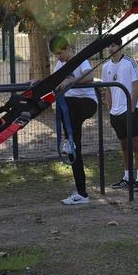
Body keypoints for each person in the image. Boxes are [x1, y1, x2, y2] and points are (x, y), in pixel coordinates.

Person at [51, 35, 98, 205]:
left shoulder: (80, 60)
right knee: (74, 151)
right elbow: (53, 82)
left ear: (68, 48)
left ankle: (68, 140)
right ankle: (82, 193)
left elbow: (89, 76)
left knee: (67, 102)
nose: (59, 57)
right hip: (70, 111)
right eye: (56, 54)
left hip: (86, 103)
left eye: (60, 53)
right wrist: (38, 83)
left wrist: (71, 79)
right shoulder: (59, 65)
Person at [100, 43, 138, 190]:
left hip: (130, 110)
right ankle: (127, 177)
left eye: (113, 45)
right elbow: (107, 90)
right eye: (109, 46)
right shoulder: (106, 66)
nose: (110, 48)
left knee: (135, 143)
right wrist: (111, 109)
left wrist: (131, 108)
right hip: (115, 113)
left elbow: (137, 86)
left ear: (120, 46)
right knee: (124, 145)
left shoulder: (130, 62)